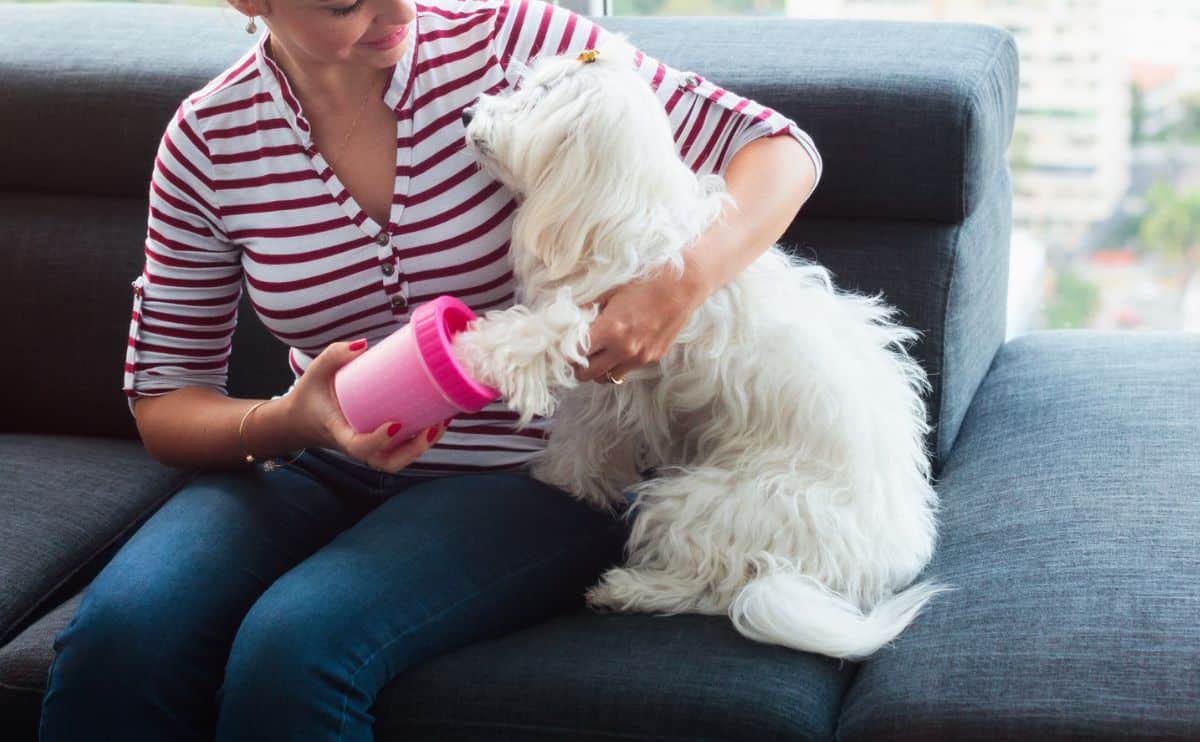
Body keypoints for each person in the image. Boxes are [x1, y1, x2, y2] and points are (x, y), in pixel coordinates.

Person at [38, 0, 823, 739]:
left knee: (295, 644)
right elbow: (166, 401)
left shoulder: (514, 41)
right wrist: (295, 421)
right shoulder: (208, 142)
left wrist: (676, 285)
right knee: (121, 636)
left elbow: (780, 150)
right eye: (346, 4)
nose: (398, 12)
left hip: (531, 473)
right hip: (310, 459)